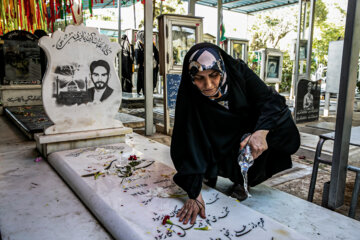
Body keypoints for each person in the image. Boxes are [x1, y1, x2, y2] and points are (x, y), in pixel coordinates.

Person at [170, 43, 300, 225]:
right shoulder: (190, 94)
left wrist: (260, 132)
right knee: (200, 134)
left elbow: (272, 101)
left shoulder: (238, 72)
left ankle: (242, 179)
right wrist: (194, 193)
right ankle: (208, 171)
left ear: (222, 69)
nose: (208, 85)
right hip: (215, 137)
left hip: (246, 133)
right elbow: (186, 139)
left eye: (214, 75)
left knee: (276, 122)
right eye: (199, 78)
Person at [134, 30, 160, 95]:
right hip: (148, 66)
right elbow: (156, 54)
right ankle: (146, 91)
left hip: (147, 66)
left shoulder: (139, 44)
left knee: (145, 79)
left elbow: (137, 54)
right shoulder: (147, 43)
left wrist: (137, 63)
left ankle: (146, 91)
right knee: (146, 79)